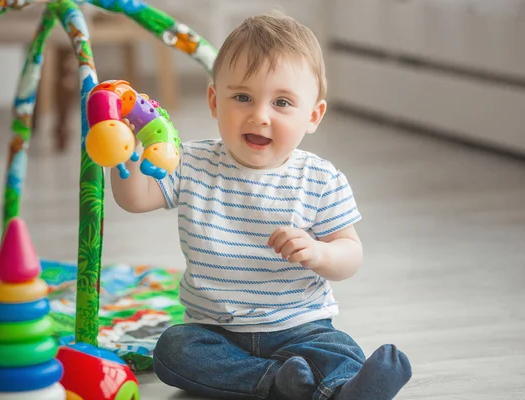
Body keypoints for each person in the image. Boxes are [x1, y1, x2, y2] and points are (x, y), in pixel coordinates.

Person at [110, 11, 412, 400]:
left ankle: (342, 389)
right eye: (242, 97)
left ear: (313, 116)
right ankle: (281, 384)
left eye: (282, 102)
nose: (259, 115)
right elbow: (136, 199)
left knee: (337, 350)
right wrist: (125, 152)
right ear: (215, 102)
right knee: (173, 351)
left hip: (301, 325)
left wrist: (319, 252)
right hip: (215, 331)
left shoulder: (321, 179)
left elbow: (350, 255)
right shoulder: (191, 162)